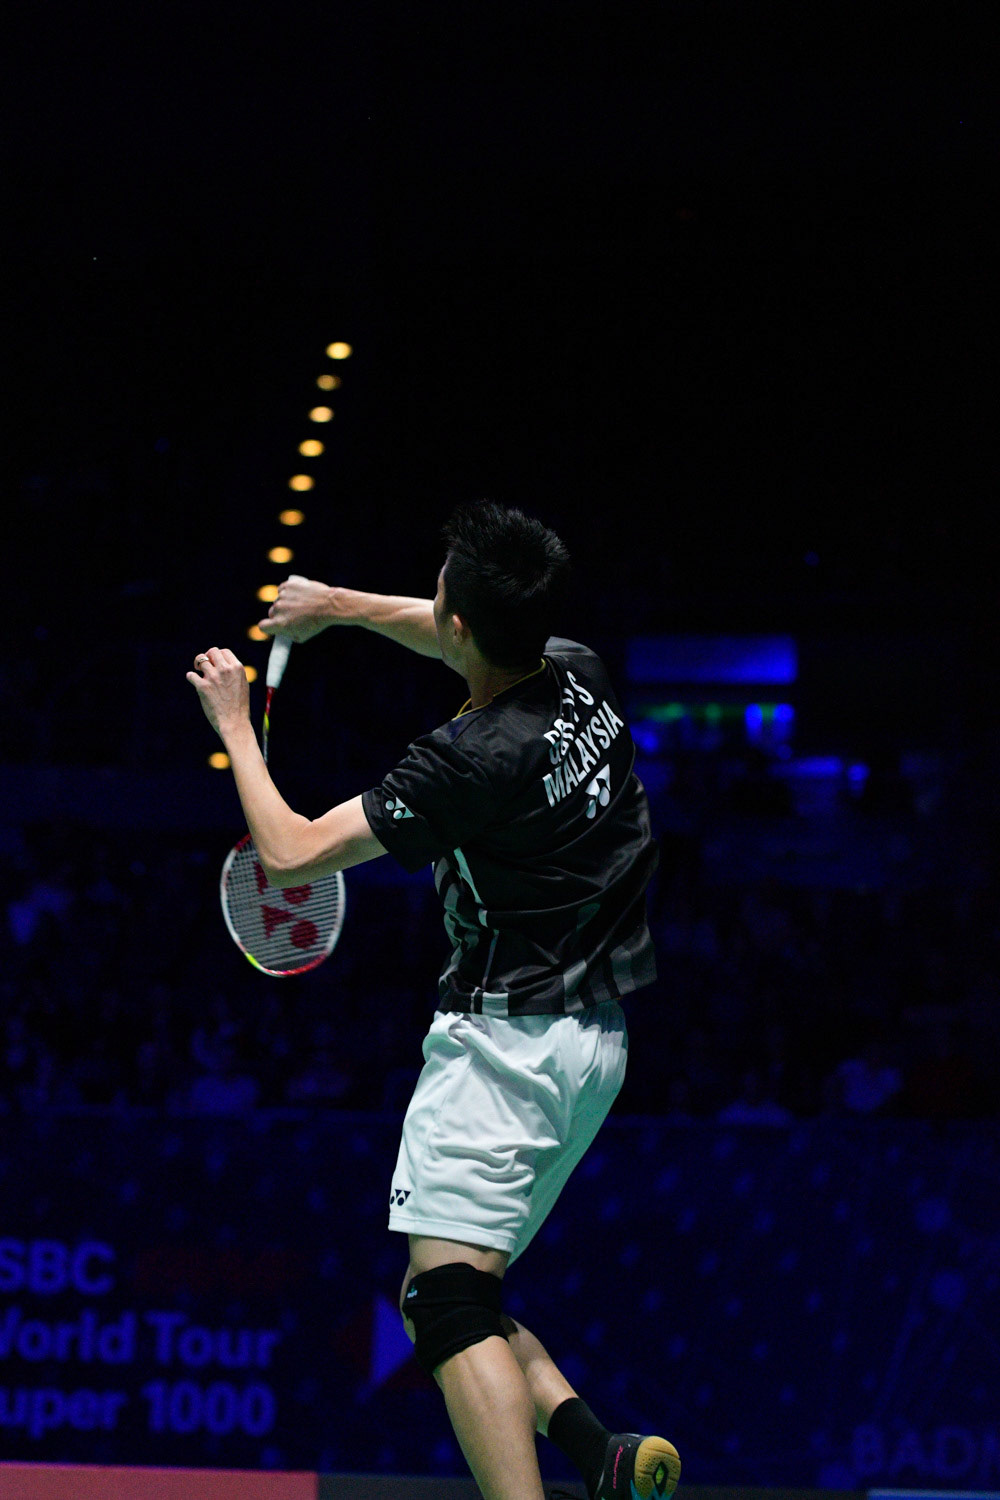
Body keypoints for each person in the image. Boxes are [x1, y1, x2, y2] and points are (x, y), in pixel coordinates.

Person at [187, 500, 680, 1500]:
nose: (433, 601)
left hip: (505, 1053)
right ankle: (600, 1455)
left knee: (447, 1304)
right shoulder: (577, 667)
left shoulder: (465, 763)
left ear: (463, 621)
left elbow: (287, 856)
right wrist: (339, 606)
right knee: (454, 1293)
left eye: (440, 591)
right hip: (595, 1041)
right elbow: (451, 631)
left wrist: (235, 726)